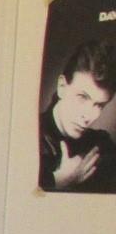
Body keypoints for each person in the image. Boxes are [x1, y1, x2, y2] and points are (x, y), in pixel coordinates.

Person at [39, 38, 116, 193]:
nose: (88, 116)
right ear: (62, 87)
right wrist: (58, 181)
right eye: (82, 97)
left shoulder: (101, 146)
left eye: (99, 105)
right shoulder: (24, 134)